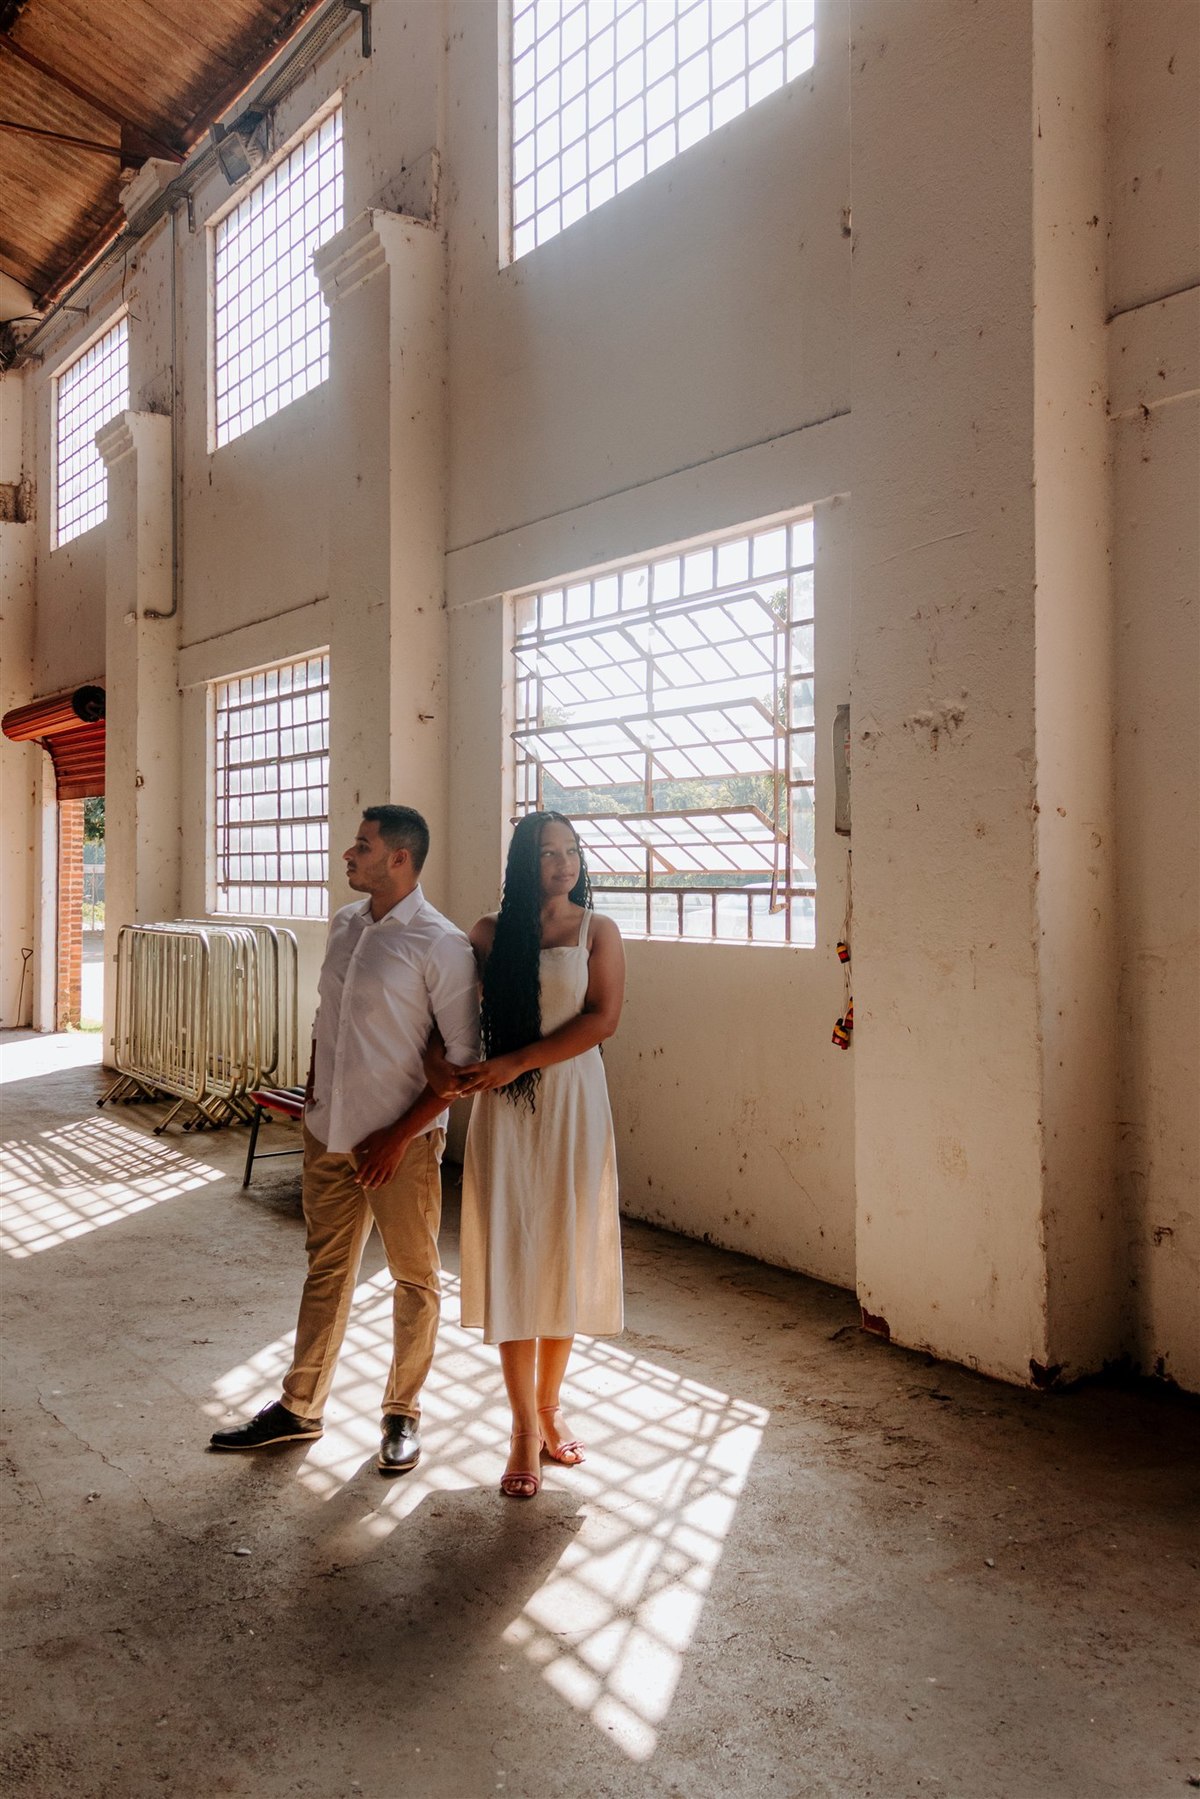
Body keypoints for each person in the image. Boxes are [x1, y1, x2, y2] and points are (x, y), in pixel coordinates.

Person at [210, 806, 479, 1475]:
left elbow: (462, 1067)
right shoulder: (346, 924)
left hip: (400, 1146)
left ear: (399, 858)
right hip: (328, 1132)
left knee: (415, 1277)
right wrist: (313, 1094)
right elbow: (326, 1019)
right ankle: (300, 1407)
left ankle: (402, 1414)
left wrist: (396, 1137)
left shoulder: (441, 943)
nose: (348, 855)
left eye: (362, 845)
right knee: (326, 1269)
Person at [430, 811, 625, 1498]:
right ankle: (520, 1429)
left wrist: (518, 1061)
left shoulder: (598, 929)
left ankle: (550, 1407)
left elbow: (602, 1019)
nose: (564, 864)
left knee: (563, 1253)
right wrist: (445, 1067)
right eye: (548, 853)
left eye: (572, 851)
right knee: (514, 1254)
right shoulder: (487, 934)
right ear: (523, 861)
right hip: (506, 1110)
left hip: (574, 1100)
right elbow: (448, 1011)